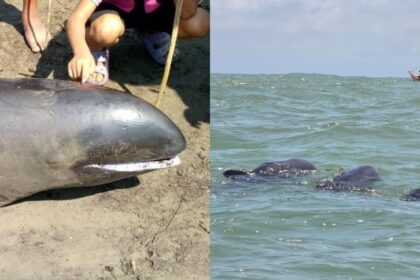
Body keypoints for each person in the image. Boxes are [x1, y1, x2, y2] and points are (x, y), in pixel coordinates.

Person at [66, 0, 209, 85]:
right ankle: (95, 49)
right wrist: (80, 51)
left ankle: (151, 32)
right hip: (113, 14)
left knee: (200, 23)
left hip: (153, 14)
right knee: (105, 31)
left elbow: (188, 13)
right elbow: (76, 18)